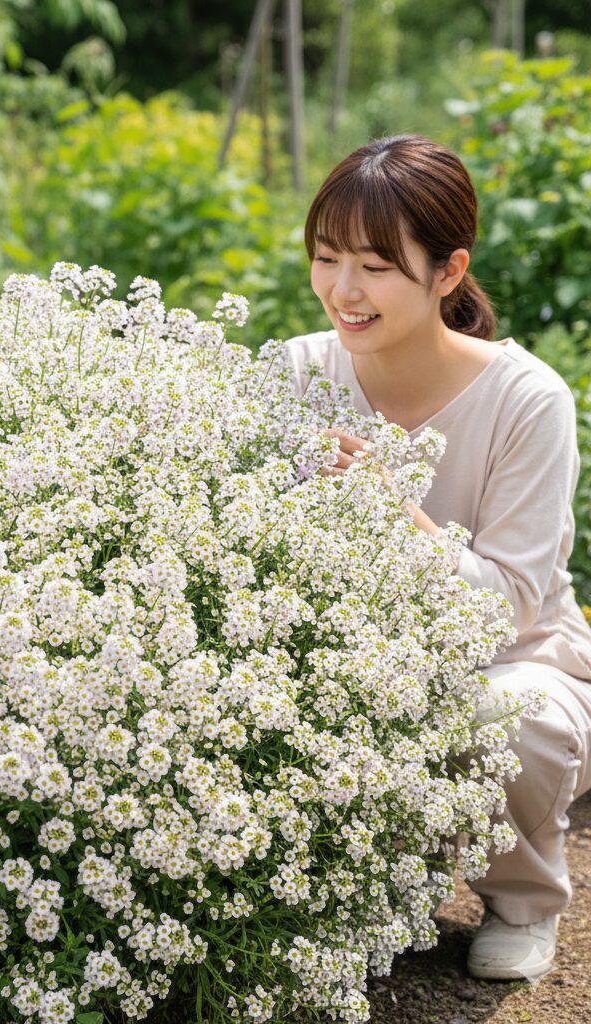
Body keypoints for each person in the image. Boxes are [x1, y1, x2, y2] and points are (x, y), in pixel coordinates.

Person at [280, 133, 591, 983]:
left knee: (507, 712)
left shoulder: (527, 399)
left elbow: (513, 606)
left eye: (377, 266)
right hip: (348, 649)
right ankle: (373, 892)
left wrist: (396, 508)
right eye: (327, 258)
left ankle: (523, 899)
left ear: (448, 272)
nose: (344, 290)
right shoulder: (296, 374)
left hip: (513, 660)